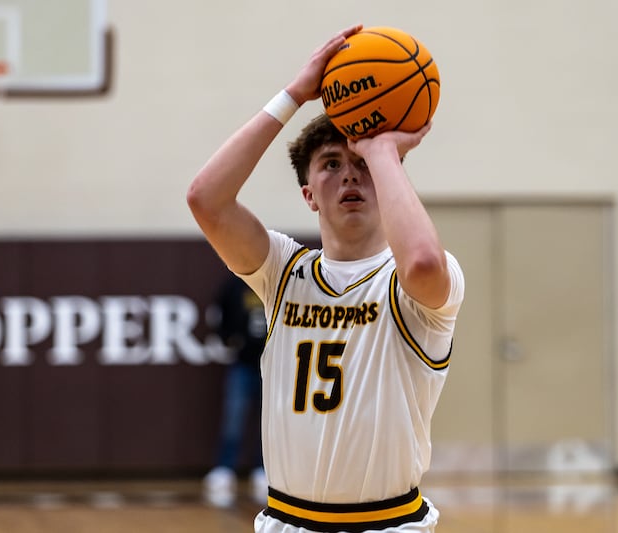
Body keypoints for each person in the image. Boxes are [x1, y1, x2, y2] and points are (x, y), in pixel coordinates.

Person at [187, 24, 464, 533]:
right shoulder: (282, 271)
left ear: (389, 178)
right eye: (331, 164)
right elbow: (205, 199)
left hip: (387, 525)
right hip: (288, 522)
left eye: (361, 164)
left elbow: (423, 264)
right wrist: (294, 94)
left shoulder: (410, 282)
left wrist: (381, 150)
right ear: (309, 195)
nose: (350, 175)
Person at [203, 272, 267, 507]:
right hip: (242, 363)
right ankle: (224, 468)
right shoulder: (234, 284)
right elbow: (217, 314)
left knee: (269, 422)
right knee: (234, 417)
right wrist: (228, 338)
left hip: (272, 364)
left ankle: (263, 470)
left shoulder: (275, 279)